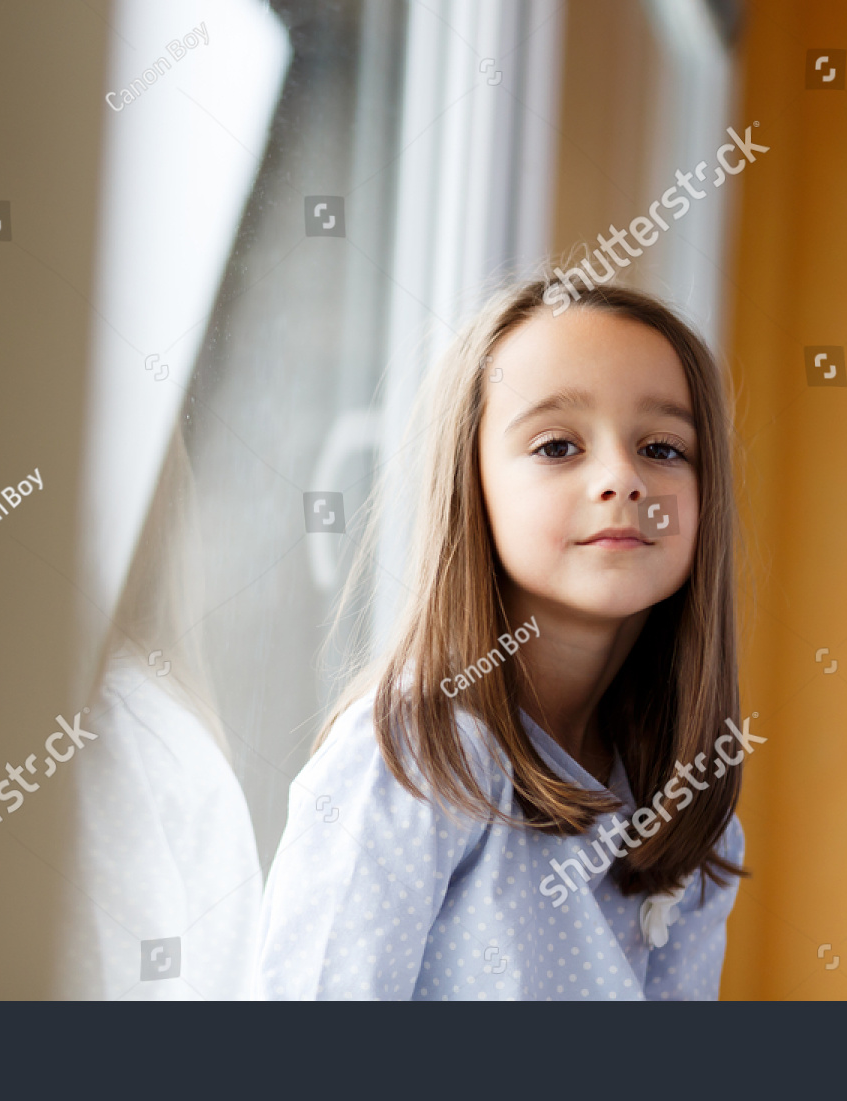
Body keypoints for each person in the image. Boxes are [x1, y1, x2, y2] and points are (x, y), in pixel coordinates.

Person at [252, 272, 748, 999]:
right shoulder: (411, 758)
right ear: (470, 486)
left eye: (664, 448)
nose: (622, 477)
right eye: (556, 446)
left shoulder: (691, 812)